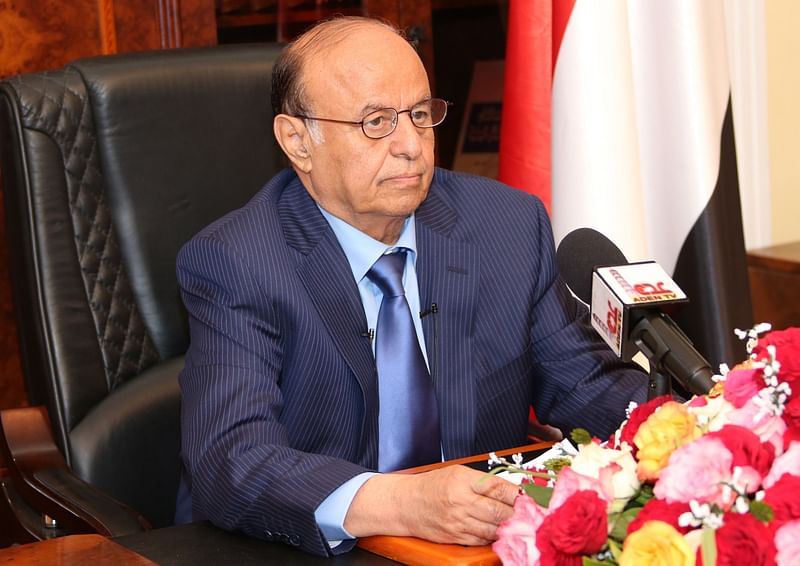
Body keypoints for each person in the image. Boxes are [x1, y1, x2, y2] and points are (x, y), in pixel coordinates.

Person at [175, 16, 648, 557]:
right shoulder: (238, 260)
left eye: (420, 114)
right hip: (296, 550)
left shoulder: (507, 225)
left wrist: (701, 421)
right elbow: (231, 459)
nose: (411, 146)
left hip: (471, 550)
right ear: (298, 141)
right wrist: (401, 502)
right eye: (376, 121)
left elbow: (585, 386)